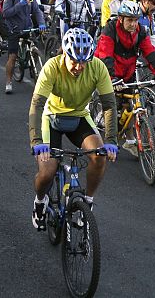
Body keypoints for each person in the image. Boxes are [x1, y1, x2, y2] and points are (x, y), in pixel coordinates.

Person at [30, 29, 118, 230]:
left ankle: (87, 202)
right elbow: (37, 105)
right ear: (65, 55)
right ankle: (40, 201)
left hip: (79, 116)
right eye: (74, 61)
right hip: (51, 118)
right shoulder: (52, 67)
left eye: (83, 62)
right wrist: (37, 142)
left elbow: (109, 105)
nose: (79, 67)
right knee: (48, 171)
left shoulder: (98, 68)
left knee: (99, 155)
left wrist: (111, 139)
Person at [95, 0, 155, 155]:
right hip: (109, 72)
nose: (133, 24)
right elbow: (105, 55)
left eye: (135, 20)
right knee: (113, 107)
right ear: (121, 19)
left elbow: (149, 51)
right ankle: (109, 143)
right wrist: (112, 78)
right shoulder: (110, 29)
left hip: (128, 72)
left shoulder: (140, 31)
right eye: (129, 20)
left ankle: (130, 141)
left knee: (132, 105)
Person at [2, 0, 46, 94]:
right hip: (14, 29)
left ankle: (34, 67)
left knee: (35, 46)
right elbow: (5, 13)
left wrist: (41, 23)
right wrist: (20, 5)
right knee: (13, 56)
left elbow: (37, 11)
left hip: (27, 27)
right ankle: (9, 81)